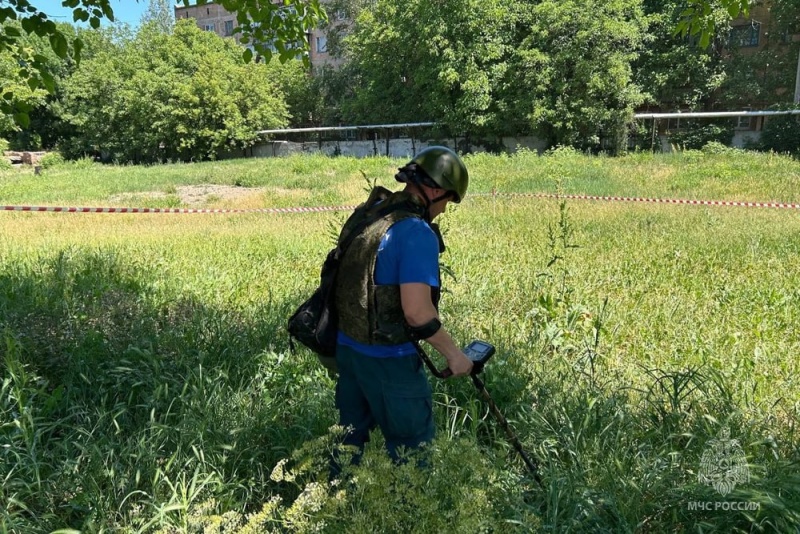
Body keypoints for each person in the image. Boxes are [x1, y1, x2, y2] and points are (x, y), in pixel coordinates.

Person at [332, 146, 473, 471]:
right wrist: (454, 355)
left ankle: (336, 502)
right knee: (413, 452)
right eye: (448, 200)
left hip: (349, 351)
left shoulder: (373, 214)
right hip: (389, 361)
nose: (444, 210)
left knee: (348, 441)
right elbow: (417, 312)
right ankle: (410, 516)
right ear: (436, 190)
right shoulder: (415, 232)